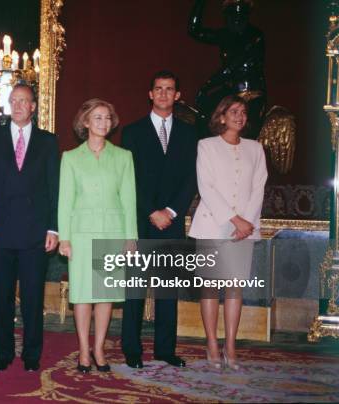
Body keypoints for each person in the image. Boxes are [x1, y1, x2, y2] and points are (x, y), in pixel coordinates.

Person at [121, 70, 198, 369]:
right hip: (141, 221)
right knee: (135, 291)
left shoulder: (190, 133)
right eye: (158, 89)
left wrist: (172, 211)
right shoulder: (132, 132)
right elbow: (129, 180)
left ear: (178, 95)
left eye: (170, 89)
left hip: (173, 222)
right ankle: (132, 349)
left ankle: (166, 350)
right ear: (150, 94)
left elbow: (191, 179)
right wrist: (151, 211)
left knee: (168, 292)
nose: (164, 94)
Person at [0, 84, 60, 372]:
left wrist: (53, 228)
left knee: (32, 297)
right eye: (13, 101)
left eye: (23, 101)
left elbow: (55, 188)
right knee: (1, 298)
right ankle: (3, 354)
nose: (17, 105)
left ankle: (31, 355)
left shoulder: (48, 142)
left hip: (35, 233)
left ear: (33, 107)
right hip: (0, 232)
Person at [189, 95, 267, 370]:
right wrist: (234, 219)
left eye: (243, 112)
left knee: (235, 289)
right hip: (212, 225)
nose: (239, 115)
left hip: (243, 231)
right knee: (210, 287)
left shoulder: (256, 148)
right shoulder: (207, 146)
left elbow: (259, 188)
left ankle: (230, 346)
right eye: (233, 111)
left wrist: (246, 223)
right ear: (221, 116)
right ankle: (211, 343)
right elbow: (206, 187)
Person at [58, 99, 137, 373]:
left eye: (107, 118)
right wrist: (64, 238)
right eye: (97, 117)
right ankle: (83, 349)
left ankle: (99, 348)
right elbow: (65, 201)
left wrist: (131, 238)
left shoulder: (123, 157)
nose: (103, 122)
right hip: (80, 235)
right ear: (85, 123)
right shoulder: (70, 158)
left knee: (105, 295)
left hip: (112, 233)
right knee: (82, 296)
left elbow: (129, 200)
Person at [188, 0, 266, 139]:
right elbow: (194, 30)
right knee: (204, 111)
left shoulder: (255, 36)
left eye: (240, 14)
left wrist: (207, 86)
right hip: (230, 91)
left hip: (251, 93)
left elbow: (230, 68)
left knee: (246, 130)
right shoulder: (225, 34)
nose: (236, 19)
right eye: (232, 14)